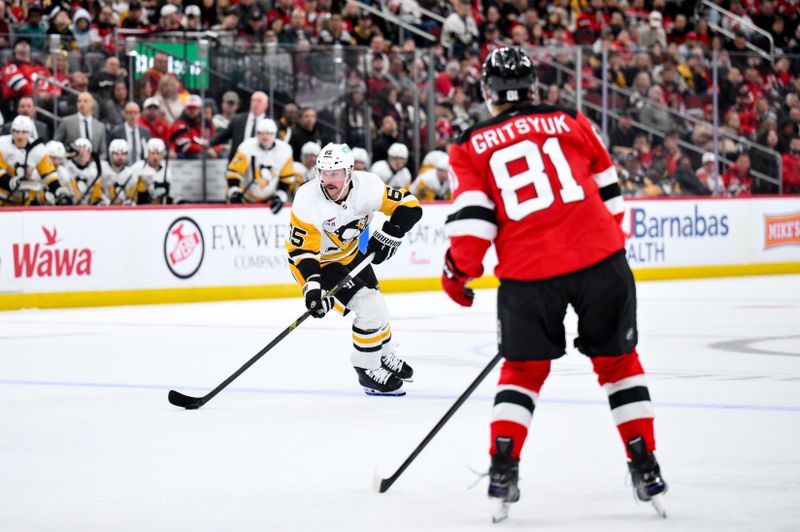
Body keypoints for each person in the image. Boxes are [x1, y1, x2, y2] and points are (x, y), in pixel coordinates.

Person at [441, 47, 666, 522]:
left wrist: (457, 274)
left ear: (487, 92)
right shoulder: (571, 120)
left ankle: (503, 470)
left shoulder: (469, 144)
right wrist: (603, 251)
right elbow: (611, 193)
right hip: (600, 258)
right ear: (534, 86)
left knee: (523, 374)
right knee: (619, 364)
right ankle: (646, 466)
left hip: (528, 274)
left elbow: (476, 223)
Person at [285, 143, 422, 395]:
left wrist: (393, 232)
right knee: (370, 307)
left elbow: (411, 206)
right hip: (320, 264)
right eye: (323, 173)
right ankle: (367, 368)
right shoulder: (307, 199)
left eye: (334, 173)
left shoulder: (369, 185)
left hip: (350, 255)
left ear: (349, 172)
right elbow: (303, 253)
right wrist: (313, 289)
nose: (328, 180)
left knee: (378, 305)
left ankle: (383, 354)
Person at [225, 118, 293, 212]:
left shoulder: (285, 150)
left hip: (269, 203)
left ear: (274, 134)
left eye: (269, 133)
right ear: (257, 134)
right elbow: (234, 171)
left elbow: (286, 178)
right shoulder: (247, 146)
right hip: (244, 199)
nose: (265, 137)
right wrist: (234, 191)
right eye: (261, 133)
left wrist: (280, 195)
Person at [0, 115, 61, 206]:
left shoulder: (37, 148)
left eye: (24, 132)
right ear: (11, 131)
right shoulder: (2, 144)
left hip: (26, 201)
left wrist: (59, 192)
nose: (20, 136)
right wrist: (13, 183)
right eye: (16, 131)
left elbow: (49, 175)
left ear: (30, 133)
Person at [210, 91, 269, 159]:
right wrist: (209, 143)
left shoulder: (271, 123)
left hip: (261, 160)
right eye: (253, 100)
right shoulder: (238, 120)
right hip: (239, 159)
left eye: (259, 101)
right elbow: (223, 136)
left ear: (266, 105)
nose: (255, 103)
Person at [54, 92, 108, 158]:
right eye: (79, 101)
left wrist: (96, 164)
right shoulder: (66, 122)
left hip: (92, 165)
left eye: (85, 101)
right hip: (70, 164)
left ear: (92, 104)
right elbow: (55, 144)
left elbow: (103, 152)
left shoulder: (100, 126)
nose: (82, 104)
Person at [62, 137, 109, 205]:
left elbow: (96, 195)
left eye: (86, 151)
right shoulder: (65, 168)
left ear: (90, 154)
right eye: (79, 152)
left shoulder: (94, 172)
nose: (82, 155)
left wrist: (98, 201)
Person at [127, 138, 172, 205]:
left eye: (158, 153)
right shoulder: (137, 167)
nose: (155, 157)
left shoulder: (166, 171)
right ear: (147, 153)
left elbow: (168, 195)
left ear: (162, 155)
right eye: (152, 153)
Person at [102, 139, 133, 205]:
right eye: (116, 153)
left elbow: (132, 198)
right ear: (110, 154)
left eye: (123, 153)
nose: (120, 157)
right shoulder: (102, 170)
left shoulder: (131, 174)